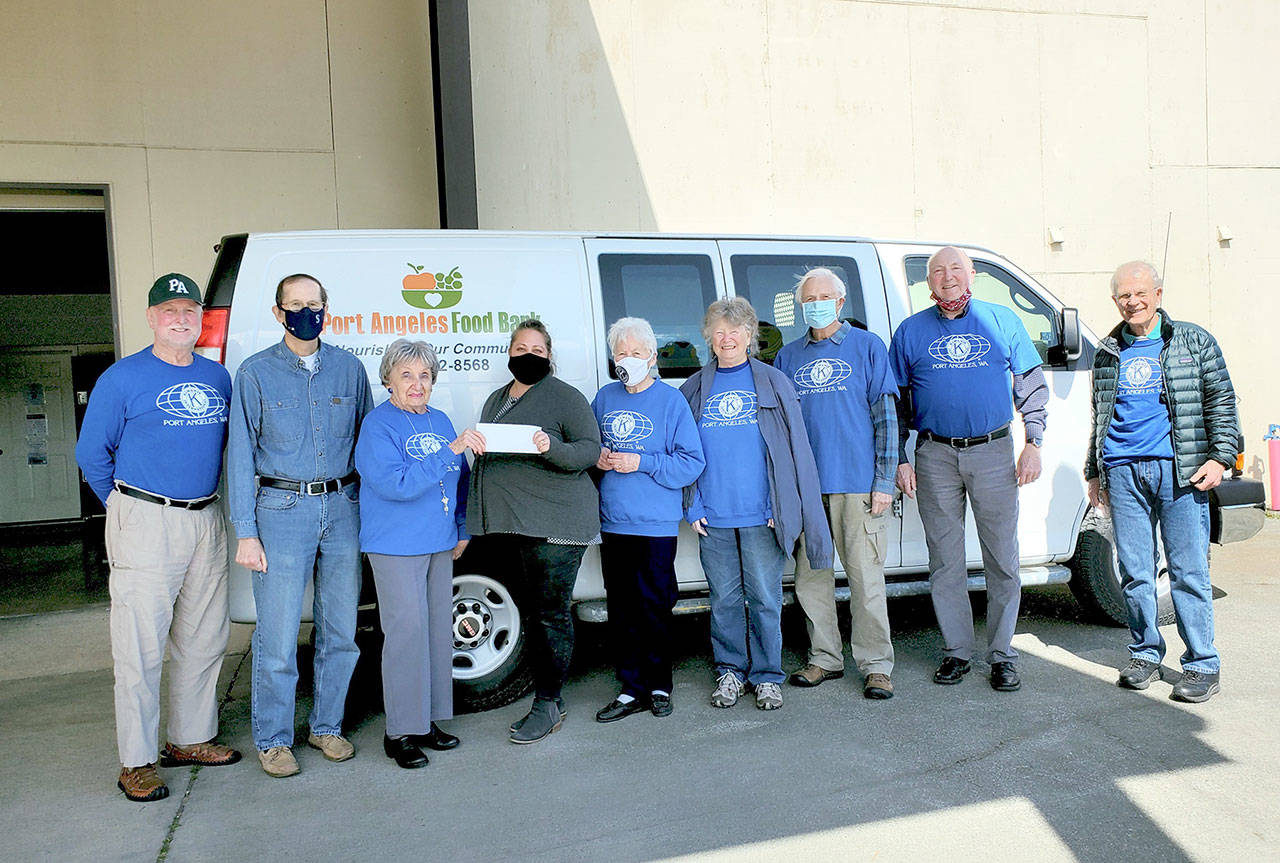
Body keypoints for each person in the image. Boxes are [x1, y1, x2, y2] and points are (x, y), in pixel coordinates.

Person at [76, 273, 240, 802]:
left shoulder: (218, 379)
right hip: (145, 517)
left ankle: (188, 740)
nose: (180, 318)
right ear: (151, 318)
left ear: (200, 320)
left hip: (205, 517)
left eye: (189, 310)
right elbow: (91, 455)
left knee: (203, 637)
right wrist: (124, 508)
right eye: (169, 310)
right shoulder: (121, 378)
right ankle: (137, 761)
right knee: (140, 647)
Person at [227, 273, 374, 777]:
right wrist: (245, 530)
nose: (305, 312)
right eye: (295, 305)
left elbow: (367, 445)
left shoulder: (349, 370)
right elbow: (241, 455)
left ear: (326, 310)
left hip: (342, 510)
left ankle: (326, 727)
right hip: (280, 513)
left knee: (341, 631)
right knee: (278, 635)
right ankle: (273, 739)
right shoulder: (255, 373)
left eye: (314, 304)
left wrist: (368, 516)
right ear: (278, 312)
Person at [890, 246, 1047, 692]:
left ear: (972, 274)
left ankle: (1002, 654)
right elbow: (896, 404)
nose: (947, 277)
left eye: (955, 268)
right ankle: (957, 651)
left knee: (1002, 559)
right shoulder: (910, 332)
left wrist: (1033, 442)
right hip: (934, 454)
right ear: (928, 282)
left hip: (994, 452)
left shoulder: (1003, 321)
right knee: (945, 561)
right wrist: (901, 458)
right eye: (937, 271)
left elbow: (1031, 385)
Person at [1086, 261, 1239, 703]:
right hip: (1122, 471)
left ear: (1157, 294)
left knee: (1189, 572)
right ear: (1115, 300)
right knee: (1135, 573)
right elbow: (1099, 415)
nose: (1132, 302)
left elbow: (1222, 401)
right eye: (1123, 296)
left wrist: (1220, 458)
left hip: (1181, 471)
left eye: (1140, 293)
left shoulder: (1192, 341)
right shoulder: (1107, 350)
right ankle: (1145, 654)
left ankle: (1201, 664)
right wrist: (1094, 470)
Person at [680, 297, 832, 711]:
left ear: (750, 336)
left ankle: (766, 676)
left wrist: (781, 505)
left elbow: (795, 449)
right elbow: (682, 451)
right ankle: (729, 672)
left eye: (736, 330)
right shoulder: (693, 388)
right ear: (708, 336)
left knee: (765, 599)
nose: (726, 338)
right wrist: (691, 506)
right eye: (718, 330)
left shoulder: (773, 382)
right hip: (713, 517)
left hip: (762, 515)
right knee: (725, 601)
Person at [466, 319, 601, 744]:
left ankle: (548, 703)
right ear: (509, 353)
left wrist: (552, 447)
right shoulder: (496, 399)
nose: (528, 355)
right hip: (515, 525)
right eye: (520, 348)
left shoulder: (565, 397)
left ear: (549, 356)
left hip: (557, 524)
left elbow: (589, 451)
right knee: (532, 612)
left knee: (549, 613)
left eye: (537, 350)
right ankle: (549, 699)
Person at [775, 268, 900, 699]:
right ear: (800, 306)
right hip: (808, 490)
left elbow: (886, 418)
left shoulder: (867, 347)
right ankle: (825, 658)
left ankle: (876, 665)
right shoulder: (787, 359)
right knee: (812, 580)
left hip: (859, 486)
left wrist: (885, 481)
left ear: (841, 302)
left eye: (824, 297)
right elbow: (778, 432)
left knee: (866, 578)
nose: (816, 304)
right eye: (808, 298)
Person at [355, 339, 473, 768]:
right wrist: (449, 451)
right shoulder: (378, 425)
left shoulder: (440, 420)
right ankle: (400, 730)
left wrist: (461, 529)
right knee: (405, 635)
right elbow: (395, 484)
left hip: (439, 542)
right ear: (388, 379)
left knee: (437, 633)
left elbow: (460, 481)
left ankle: (429, 720)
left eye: (424, 375)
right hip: (395, 545)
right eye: (406, 375)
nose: (417, 383)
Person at [591, 317, 705, 722]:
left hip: (655, 526)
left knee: (654, 606)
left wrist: (643, 462)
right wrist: (599, 458)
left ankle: (659, 685)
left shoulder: (670, 401)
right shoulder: (604, 398)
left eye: (637, 353)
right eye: (622, 353)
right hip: (614, 523)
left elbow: (692, 462)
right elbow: (590, 452)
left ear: (652, 357)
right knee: (621, 609)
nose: (629, 360)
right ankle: (629, 689)